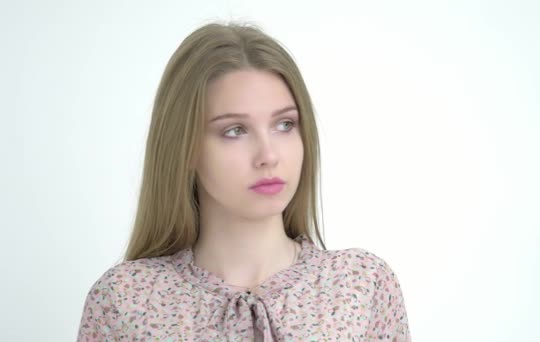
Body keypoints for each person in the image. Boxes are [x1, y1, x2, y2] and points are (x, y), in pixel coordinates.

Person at [76, 20, 412, 341]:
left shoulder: (361, 283)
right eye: (234, 130)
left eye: (285, 125)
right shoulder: (124, 300)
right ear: (185, 147)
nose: (268, 154)